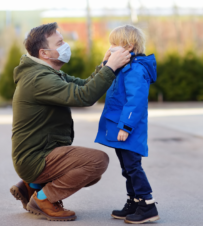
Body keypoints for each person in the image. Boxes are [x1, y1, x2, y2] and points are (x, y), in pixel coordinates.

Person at [10, 22, 131, 221]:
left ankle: (32, 186)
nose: (66, 46)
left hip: (38, 154)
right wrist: (111, 68)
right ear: (45, 53)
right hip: (35, 158)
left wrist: (103, 66)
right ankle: (43, 198)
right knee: (97, 161)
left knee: (91, 172)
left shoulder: (47, 73)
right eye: (60, 43)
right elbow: (84, 97)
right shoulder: (39, 78)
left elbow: (83, 85)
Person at [95, 25, 159, 224]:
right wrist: (106, 62)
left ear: (129, 46)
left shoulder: (135, 69)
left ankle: (147, 204)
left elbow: (136, 100)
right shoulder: (123, 67)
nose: (111, 47)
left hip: (129, 129)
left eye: (114, 44)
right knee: (126, 167)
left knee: (133, 166)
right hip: (120, 127)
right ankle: (133, 201)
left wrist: (126, 126)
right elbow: (102, 81)